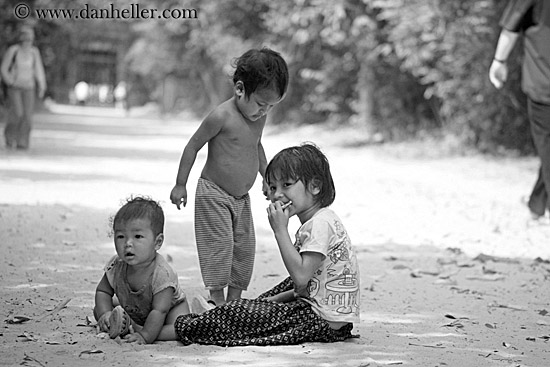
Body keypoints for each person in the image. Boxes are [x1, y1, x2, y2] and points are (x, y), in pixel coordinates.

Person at [154, 143, 360, 346]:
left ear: (315, 186)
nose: (277, 194)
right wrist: (271, 300)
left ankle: (168, 330)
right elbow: (303, 285)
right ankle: (217, 315)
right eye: (272, 187)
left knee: (240, 314)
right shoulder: (324, 219)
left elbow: (302, 276)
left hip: (318, 319)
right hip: (329, 318)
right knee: (267, 299)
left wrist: (280, 230)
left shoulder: (319, 225)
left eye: (286, 185)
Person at [169, 48, 289, 306]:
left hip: (241, 199)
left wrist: (267, 178)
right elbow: (193, 146)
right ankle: (217, 299)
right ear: (239, 89)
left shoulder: (258, 118)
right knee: (219, 246)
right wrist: (181, 184)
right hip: (213, 193)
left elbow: (256, 145)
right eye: (260, 103)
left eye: (270, 106)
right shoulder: (221, 116)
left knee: (244, 248)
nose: (264, 111)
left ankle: (234, 300)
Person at [94, 196, 189, 344]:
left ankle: (138, 329)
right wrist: (104, 314)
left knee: (180, 329)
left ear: (157, 242)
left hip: (168, 313)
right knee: (98, 309)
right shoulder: (116, 265)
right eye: (120, 236)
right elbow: (103, 291)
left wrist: (144, 336)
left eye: (137, 236)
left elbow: (160, 311)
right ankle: (131, 325)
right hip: (138, 311)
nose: (128, 243)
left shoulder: (162, 274)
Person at [489, 0, 550, 220]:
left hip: (543, 86)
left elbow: (511, 27)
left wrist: (499, 60)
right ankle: (537, 203)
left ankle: (537, 203)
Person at [1, 26, 46, 150]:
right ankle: (10, 138)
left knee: (27, 116)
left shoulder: (34, 52)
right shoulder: (13, 51)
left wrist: (42, 85)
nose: (28, 42)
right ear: (21, 39)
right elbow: (4, 69)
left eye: (30, 39)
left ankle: (22, 142)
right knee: (17, 113)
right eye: (26, 39)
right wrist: (10, 81)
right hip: (15, 87)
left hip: (29, 87)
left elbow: (38, 70)